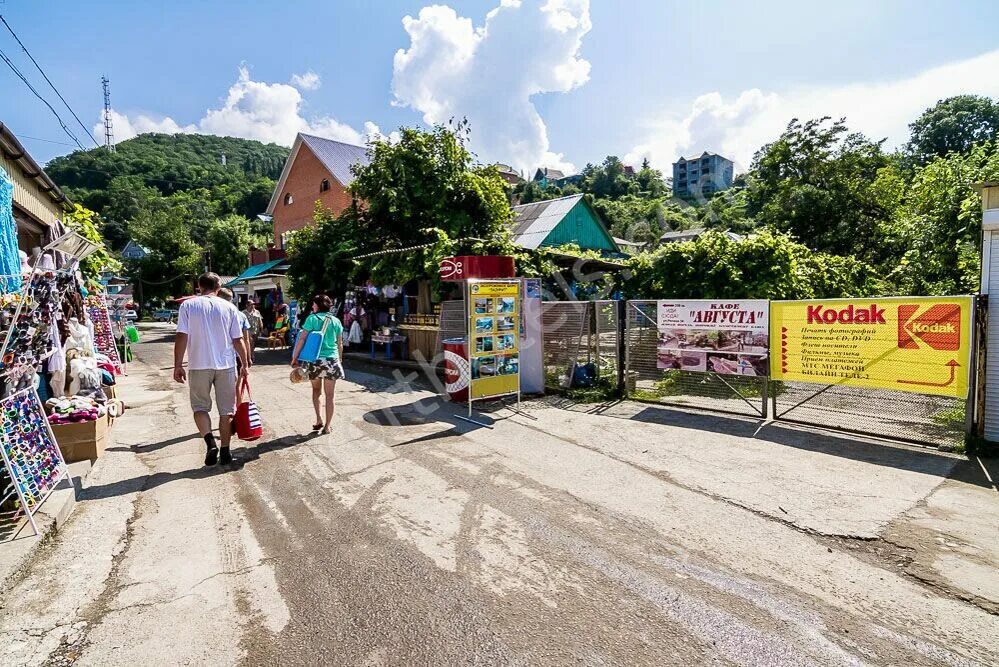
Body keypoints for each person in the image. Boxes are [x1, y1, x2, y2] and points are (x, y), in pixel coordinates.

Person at [174, 273, 250, 466]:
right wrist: (245, 363)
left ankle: (210, 442)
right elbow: (238, 339)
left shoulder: (188, 306)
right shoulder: (229, 307)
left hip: (198, 365)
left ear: (199, 287)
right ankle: (225, 451)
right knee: (226, 412)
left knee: (200, 408)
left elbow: (182, 336)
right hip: (226, 365)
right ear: (218, 286)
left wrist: (177, 365)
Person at [290, 294, 344, 434]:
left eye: (314, 304)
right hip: (332, 360)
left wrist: (295, 357)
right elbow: (340, 344)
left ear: (318, 305)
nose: (312, 306)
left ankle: (319, 419)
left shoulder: (312, 319)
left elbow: (302, 339)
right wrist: (340, 360)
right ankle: (327, 426)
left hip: (315, 361)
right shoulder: (336, 321)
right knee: (330, 395)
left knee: (316, 391)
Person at [219, 288, 252, 374]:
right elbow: (246, 340)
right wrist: (248, 358)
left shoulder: (213, 314)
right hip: (238, 354)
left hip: (219, 356)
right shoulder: (241, 315)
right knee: (237, 382)